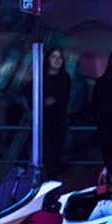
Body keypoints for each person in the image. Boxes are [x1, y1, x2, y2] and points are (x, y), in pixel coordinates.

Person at [41, 47, 73, 175]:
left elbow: (64, 99)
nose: (57, 60)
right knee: (45, 153)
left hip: (59, 122)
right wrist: (43, 101)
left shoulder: (65, 78)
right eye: (54, 57)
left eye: (59, 57)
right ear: (48, 60)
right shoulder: (40, 77)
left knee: (56, 153)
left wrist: (53, 102)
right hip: (43, 122)